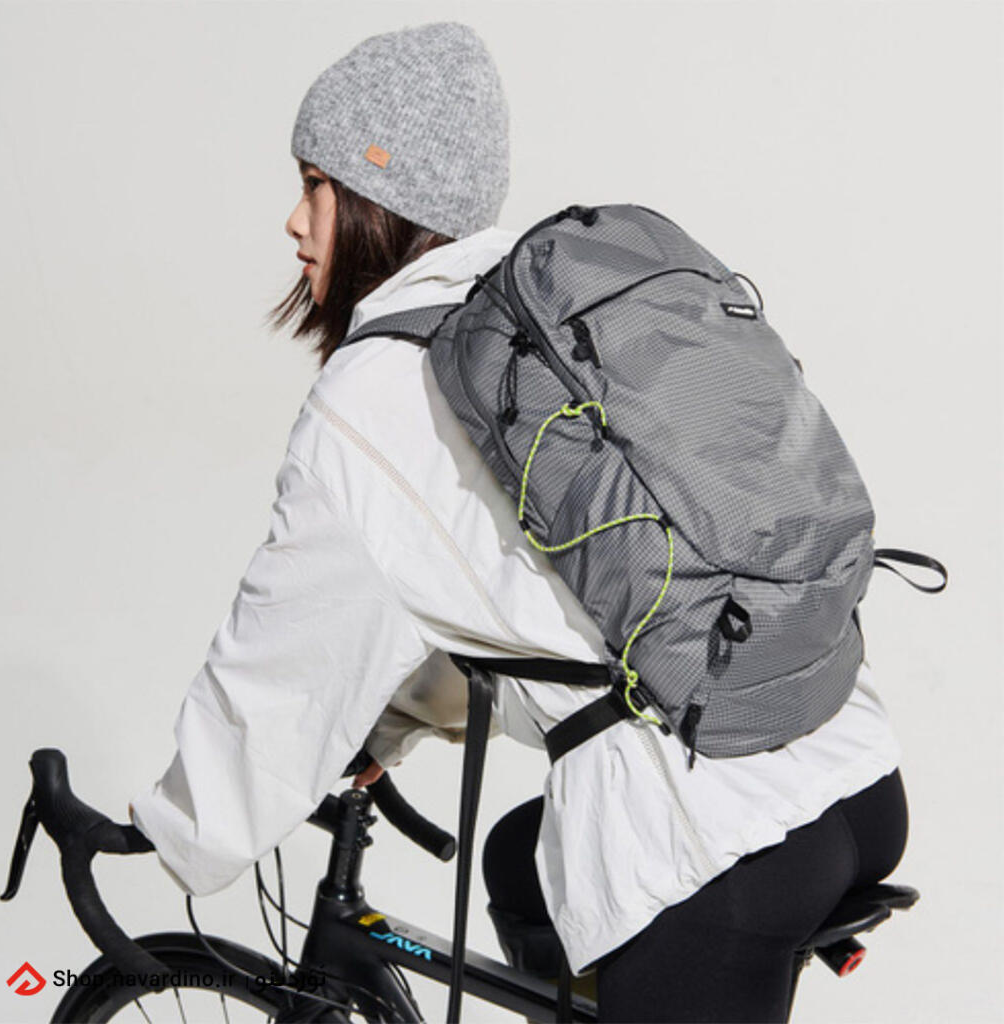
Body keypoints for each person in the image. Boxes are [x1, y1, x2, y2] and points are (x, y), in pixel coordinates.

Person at [129, 21, 909, 1023]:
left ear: (374, 198)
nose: (293, 220)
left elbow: (277, 670)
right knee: (519, 862)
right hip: (844, 764)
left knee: (606, 890)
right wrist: (387, 727)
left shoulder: (371, 399)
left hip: (713, 851)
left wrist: (169, 831)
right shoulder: (541, 318)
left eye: (313, 184)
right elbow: (501, 589)